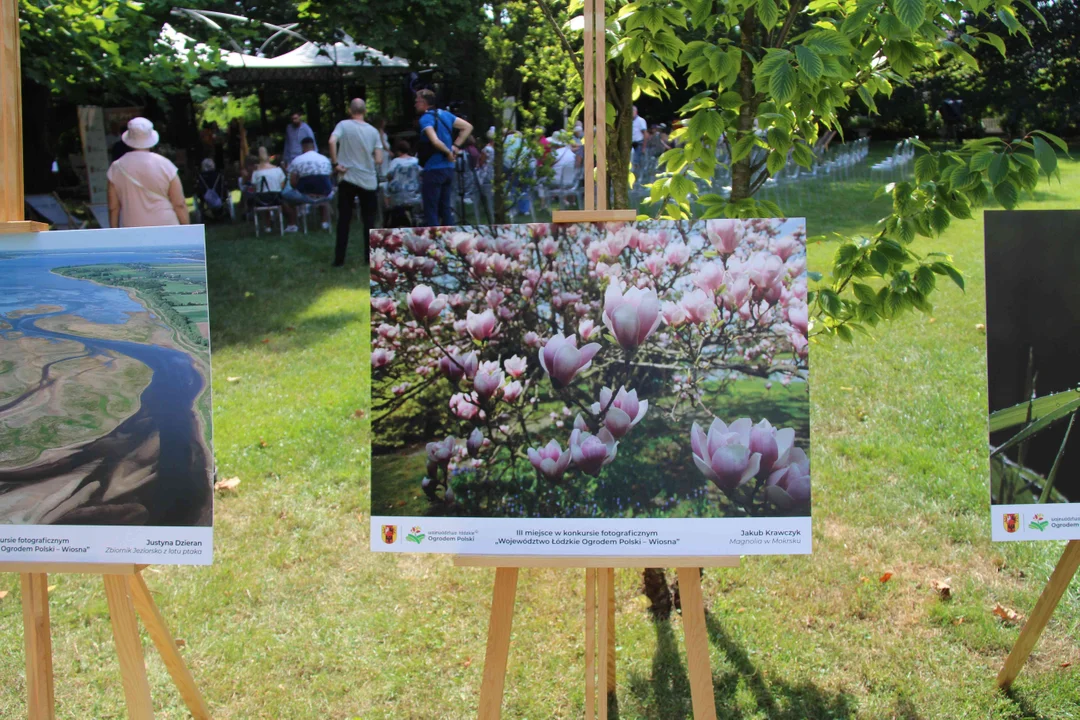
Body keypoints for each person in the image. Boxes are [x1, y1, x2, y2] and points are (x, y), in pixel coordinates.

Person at [106, 117, 189, 228]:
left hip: (132, 228)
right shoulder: (165, 165)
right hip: (167, 226)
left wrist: (114, 233)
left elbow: (113, 207)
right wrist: (186, 229)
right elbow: (179, 204)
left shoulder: (116, 168)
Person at [329, 98, 383, 266]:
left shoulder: (343, 125)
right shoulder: (373, 131)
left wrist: (336, 163)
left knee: (344, 219)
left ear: (350, 111)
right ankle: (369, 258)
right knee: (369, 220)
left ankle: (339, 259)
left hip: (348, 177)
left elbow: (332, 141)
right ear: (365, 111)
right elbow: (379, 159)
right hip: (368, 179)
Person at [415, 89, 473, 227]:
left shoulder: (426, 119)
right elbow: (468, 127)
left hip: (433, 167)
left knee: (431, 209)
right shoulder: (445, 115)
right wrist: (456, 146)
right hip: (448, 168)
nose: (414, 104)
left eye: (416, 101)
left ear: (424, 103)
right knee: (445, 208)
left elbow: (434, 141)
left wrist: (447, 152)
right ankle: (450, 240)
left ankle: (435, 241)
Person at [281, 136, 334, 231]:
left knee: (285, 196)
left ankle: (292, 224)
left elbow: (292, 182)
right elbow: (328, 178)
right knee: (323, 192)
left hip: (305, 195)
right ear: (313, 146)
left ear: (302, 147)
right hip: (326, 194)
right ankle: (324, 222)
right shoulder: (325, 159)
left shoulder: (297, 160)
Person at [251, 146, 297, 230]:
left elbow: (254, 187)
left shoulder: (255, 172)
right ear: (269, 156)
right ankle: (291, 223)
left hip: (260, 200)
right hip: (276, 198)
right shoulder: (277, 170)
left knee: (264, 195)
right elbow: (282, 186)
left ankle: (268, 225)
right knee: (284, 199)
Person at [383, 140, 422, 227]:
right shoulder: (416, 161)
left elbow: (389, 176)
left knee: (385, 187)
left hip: (399, 197)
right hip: (415, 194)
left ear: (398, 151)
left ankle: (388, 215)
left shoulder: (395, 162)